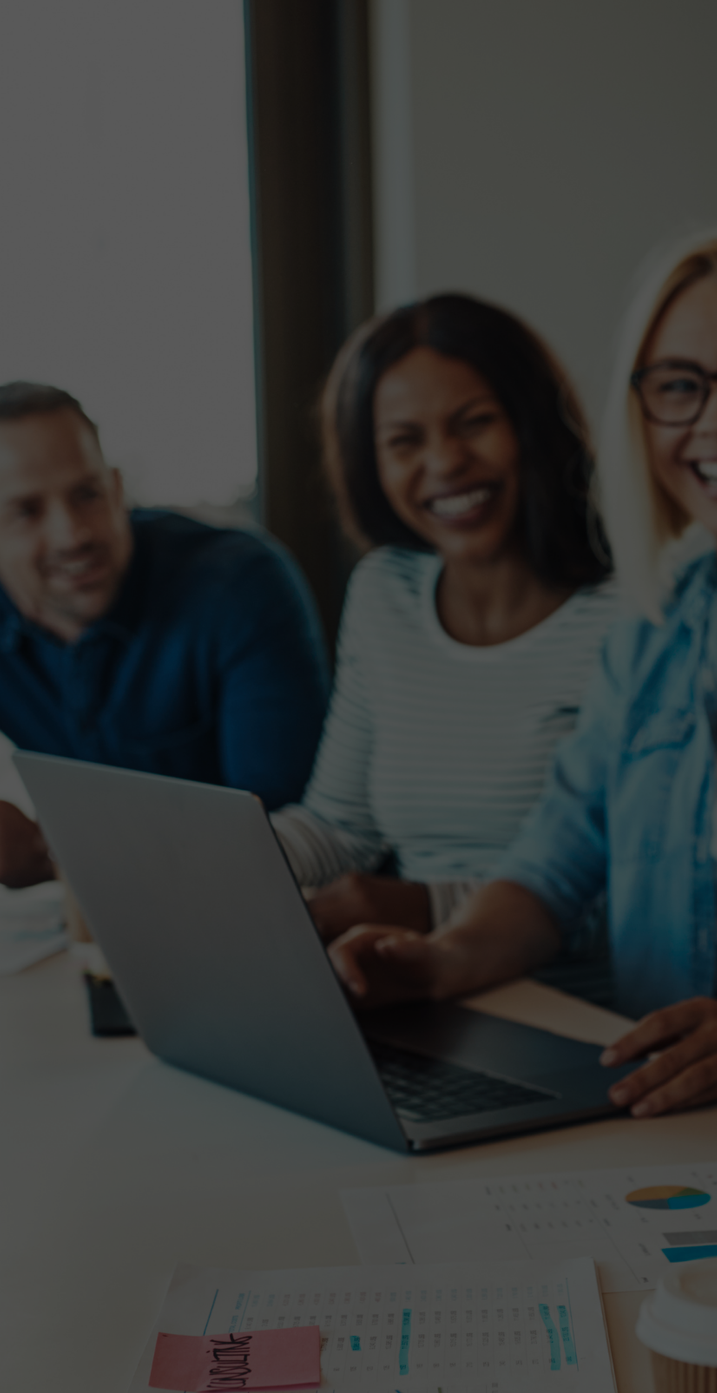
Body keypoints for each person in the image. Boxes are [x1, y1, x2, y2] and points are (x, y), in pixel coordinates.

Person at [328, 234, 717, 1125]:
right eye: (679, 387)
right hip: (674, 1129)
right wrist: (442, 960)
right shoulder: (654, 633)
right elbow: (553, 861)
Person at [0, 381, 330, 899]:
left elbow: (289, 835)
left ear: (115, 488)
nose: (72, 535)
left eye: (86, 494)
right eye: (27, 511)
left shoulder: (240, 585)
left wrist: (47, 852)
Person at [268, 295, 625, 975]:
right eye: (405, 441)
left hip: (577, 996)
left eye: (475, 423)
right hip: (416, 980)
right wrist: (217, 862)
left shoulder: (627, 614)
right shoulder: (384, 592)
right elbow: (339, 827)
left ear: (533, 426)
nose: (445, 462)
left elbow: (647, 895)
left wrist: (427, 907)